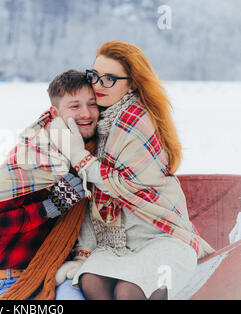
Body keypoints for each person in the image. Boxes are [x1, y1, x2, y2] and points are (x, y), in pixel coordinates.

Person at [51, 40, 215, 300]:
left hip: (160, 234)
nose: (97, 85)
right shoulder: (98, 119)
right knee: (92, 283)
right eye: (94, 76)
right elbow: (90, 196)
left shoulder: (137, 122)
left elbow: (119, 184)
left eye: (109, 79)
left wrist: (79, 157)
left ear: (132, 83)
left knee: (129, 291)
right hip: (118, 244)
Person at [0, 70, 99, 300]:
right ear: (55, 112)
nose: (86, 113)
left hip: (63, 274)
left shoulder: (93, 159)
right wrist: (48, 207)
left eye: (92, 104)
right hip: (15, 279)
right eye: (75, 106)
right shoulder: (33, 154)